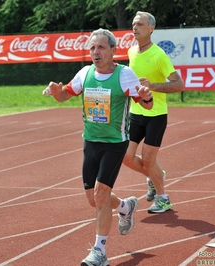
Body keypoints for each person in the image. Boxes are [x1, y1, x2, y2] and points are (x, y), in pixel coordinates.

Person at [42, 28, 154, 266]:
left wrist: (146, 95)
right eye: (92, 47)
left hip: (115, 143)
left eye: (101, 47)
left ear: (113, 50)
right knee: (94, 199)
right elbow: (64, 95)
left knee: (101, 194)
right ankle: (126, 206)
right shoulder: (85, 73)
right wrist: (55, 92)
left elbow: (145, 104)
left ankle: (99, 252)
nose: (96, 52)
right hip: (90, 142)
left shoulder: (125, 75)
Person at [122, 11, 184, 214]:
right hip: (135, 112)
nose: (135, 27)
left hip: (155, 115)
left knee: (148, 160)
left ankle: (163, 198)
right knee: (126, 156)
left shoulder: (158, 55)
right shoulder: (131, 51)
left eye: (140, 24)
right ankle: (155, 175)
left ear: (151, 28)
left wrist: (153, 86)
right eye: (133, 24)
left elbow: (178, 84)